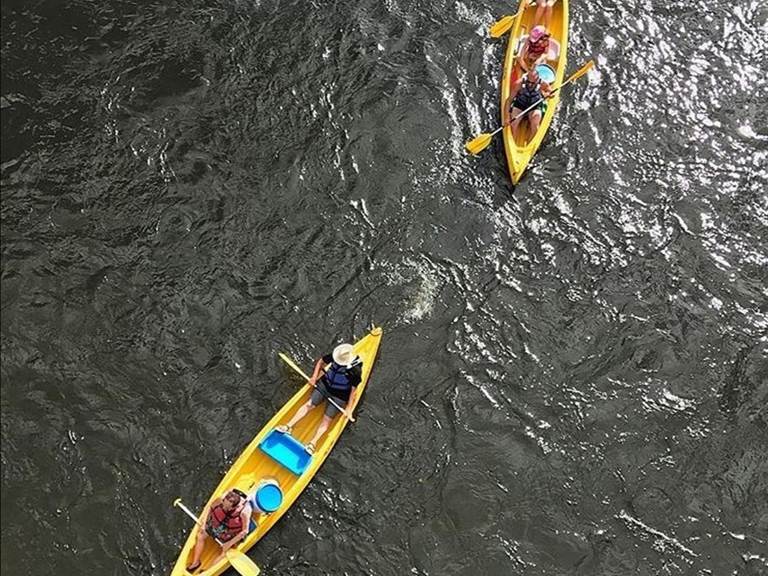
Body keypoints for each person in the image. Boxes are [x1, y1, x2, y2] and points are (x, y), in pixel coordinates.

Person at [276, 343, 362, 454]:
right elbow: (321, 362)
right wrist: (314, 377)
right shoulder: (336, 355)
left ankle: (312, 444)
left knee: (326, 420)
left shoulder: (355, 370)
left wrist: (349, 409)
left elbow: (353, 390)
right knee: (309, 405)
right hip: (324, 386)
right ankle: (288, 426)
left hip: (339, 395)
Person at [186, 489, 252, 573]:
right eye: (224, 504)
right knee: (200, 535)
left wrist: (229, 544)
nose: (224, 507)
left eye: (227, 507)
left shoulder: (244, 512)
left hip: (229, 534)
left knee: (224, 553)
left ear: (234, 507)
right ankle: (195, 563)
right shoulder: (221, 499)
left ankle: (207, 572)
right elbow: (209, 507)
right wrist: (203, 524)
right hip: (216, 526)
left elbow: (245, 531)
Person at [504, 66, 553, 144]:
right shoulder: (519, 83)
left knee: (535, 125)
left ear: (537, 79)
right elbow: (509, 100)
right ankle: (512, 142)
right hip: (520, 105)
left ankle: (530, 143)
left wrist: (547, 94)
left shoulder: (543, 83)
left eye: (532, 83)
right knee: (513, 123)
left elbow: (551, 92)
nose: (530, 84)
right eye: (528, 82)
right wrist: (506, 117)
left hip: (534, 106)